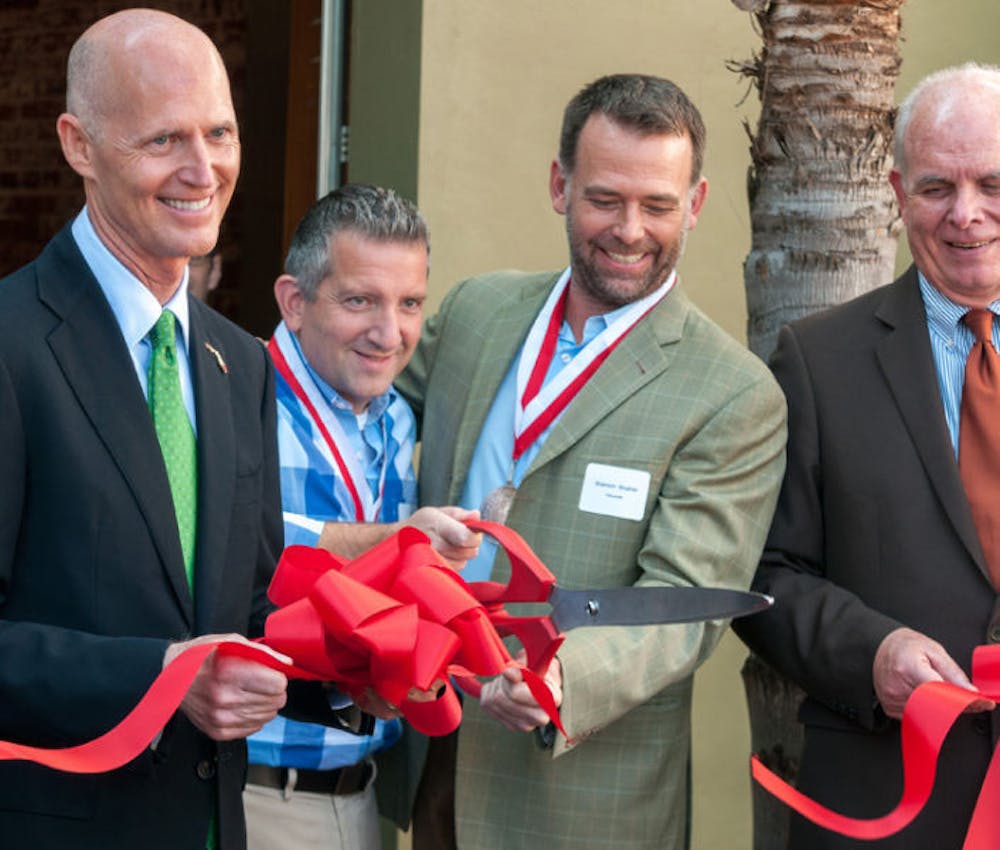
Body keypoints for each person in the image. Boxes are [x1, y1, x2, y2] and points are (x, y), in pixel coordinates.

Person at [384, 73, 788, 850]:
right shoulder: (476, 311)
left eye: (658, 206)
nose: (631, 229)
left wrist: (562, 678)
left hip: (579, 794)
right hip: (428, 740)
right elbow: (360, 426)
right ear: (559, 185)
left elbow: (686, 605)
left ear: (695, 205)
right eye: (605, 199)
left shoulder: (733, 393)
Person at [0, 9, 326, 849]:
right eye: (163, 141)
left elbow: (247, 605)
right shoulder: (9, 344)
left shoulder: (239, 361)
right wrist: (162, 676)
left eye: (220, 132)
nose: (204, 169)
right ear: (79, 145)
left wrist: (374, 655)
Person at [733, 63, 1000, 849]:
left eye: (993, 182)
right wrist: (871, 653)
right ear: (895, 191)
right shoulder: (819, 361)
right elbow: (766, 572)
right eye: (936, 188)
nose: (968, 215)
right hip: (885, 807)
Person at [244, 183, 481, 850]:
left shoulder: (396, 417)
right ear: (294, 302)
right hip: (255, 790)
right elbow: (244, 546)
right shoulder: (237, 400)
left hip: (364, 791)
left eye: (409, 304)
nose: (390, 332)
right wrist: (396, 541)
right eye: (360, 301)